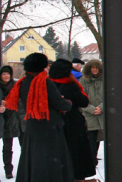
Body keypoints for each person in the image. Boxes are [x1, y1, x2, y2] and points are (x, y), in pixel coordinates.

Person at [4, 53, 75, 182]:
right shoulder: (45, 82)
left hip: (32, 128)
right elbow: (60, 104)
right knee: (51, 163)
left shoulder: (22, 83)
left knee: (34, 160)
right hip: (50, 128)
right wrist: (68, 102)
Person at [49, 59, 95, 181]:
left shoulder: (48, 85)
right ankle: (76, 176)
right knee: (75, 153)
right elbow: (84, 101)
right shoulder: (70, 86)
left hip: (54, 123)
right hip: (73, 123)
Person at [0, 64, 21, 179]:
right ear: (0, 75)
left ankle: (25, 168)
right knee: (7, 147)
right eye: (4, 74)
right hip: (6, 120)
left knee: (24, 146)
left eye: (8, 74)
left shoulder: (16, 85)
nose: (6, 76)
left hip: (19, 119)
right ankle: (8, 170)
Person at [80, 59, 105, 164]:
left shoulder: (105, 80)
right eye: (93, 68)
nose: (95, 70)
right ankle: (91, 160)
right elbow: (81, 97)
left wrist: (101, 107)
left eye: (96, 68)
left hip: (102, 114)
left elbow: (109, 96)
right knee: (91, 139)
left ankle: (93, 159)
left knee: (98, 139)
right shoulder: (83, 81)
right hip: (89, 115)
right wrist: (91, 109)